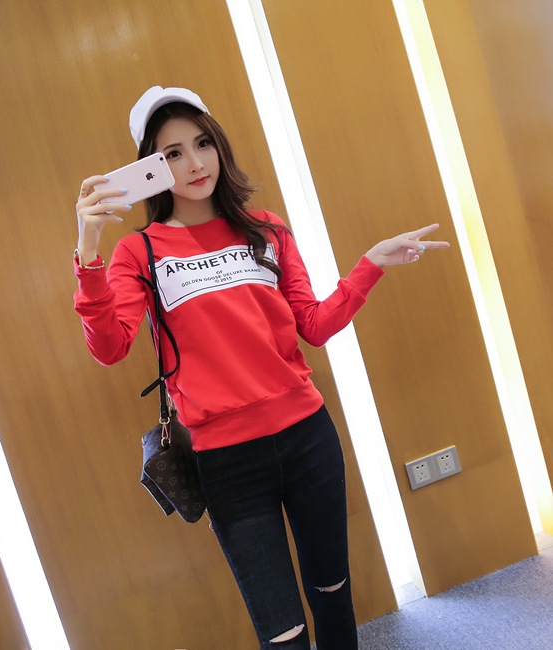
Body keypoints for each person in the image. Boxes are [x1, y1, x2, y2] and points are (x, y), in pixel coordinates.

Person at [73, 86, 449, 649]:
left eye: (202, 143)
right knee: (283, 633)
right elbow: (110, 347)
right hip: (227, 462)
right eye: (172, 153)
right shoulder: (139, 252)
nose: (195, 163)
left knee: (333, 595)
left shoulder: (267, 230)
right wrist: (88, 249)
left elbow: (312, 324)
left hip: (307, 439)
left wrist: (369, 265)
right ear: (150, 167)